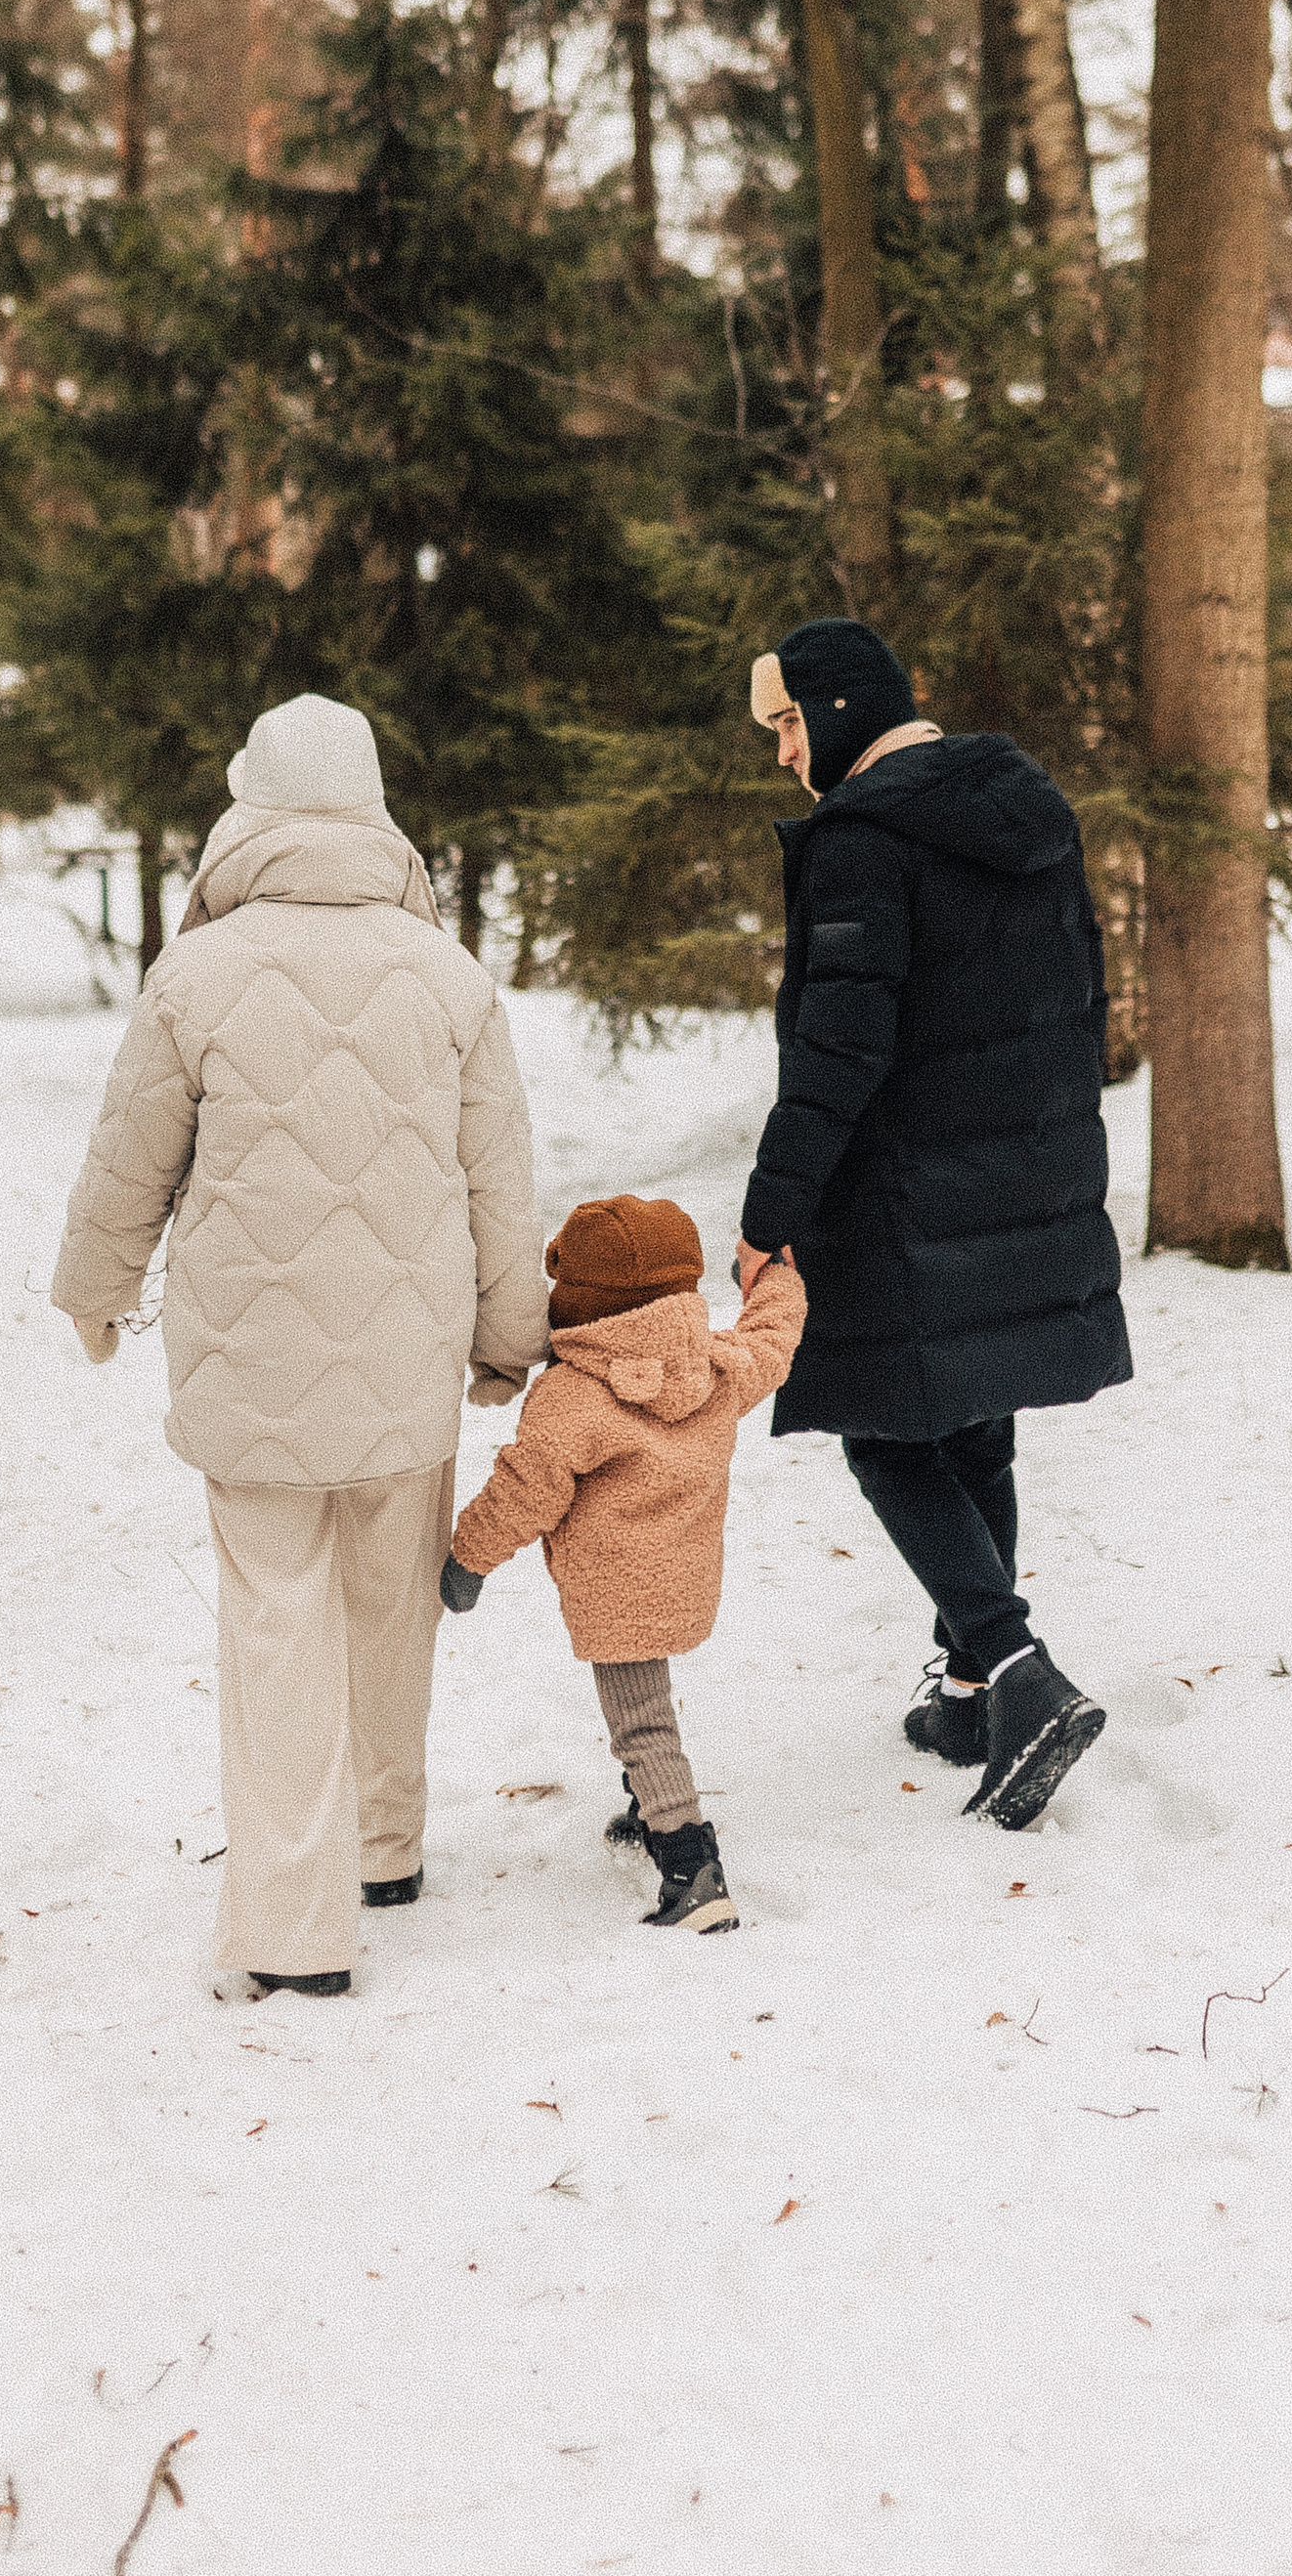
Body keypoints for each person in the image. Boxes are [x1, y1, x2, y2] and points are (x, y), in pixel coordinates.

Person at [52, 693, 546, 2000]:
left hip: (252, 1364)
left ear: (251, 809)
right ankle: (384, 1848)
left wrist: (93, 1296)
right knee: (391, 1610)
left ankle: (291, 1927)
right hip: (407, 1360)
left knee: (275, 1622)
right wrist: (508, 1338)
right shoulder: (452, 980)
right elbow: (499, 1181)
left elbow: (129, 1164)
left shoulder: (194, 975)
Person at [734, 618, 1130, 1833]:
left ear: (844, 708)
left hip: (905, 1187)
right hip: (1022, 1171)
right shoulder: (1025, 810)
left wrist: (770, 1216)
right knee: (973, 1426)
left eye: (788, 723)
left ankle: (1015, 1670)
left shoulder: (866, 841)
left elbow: (839, 1049)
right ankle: (966, 1693)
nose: (784, 753)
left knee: (883, 1428)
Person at [438, 1194, 806, 1936]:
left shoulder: (572, 1395)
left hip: (615, 1592)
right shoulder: (716, 1367)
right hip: (687, 1573)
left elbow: (525, 1489)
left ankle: (689, 1867)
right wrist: (778, 1277)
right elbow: (773, 1338)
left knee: (642, 1723)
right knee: (650, 1713)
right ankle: (648, 1809)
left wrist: (467, 1558)